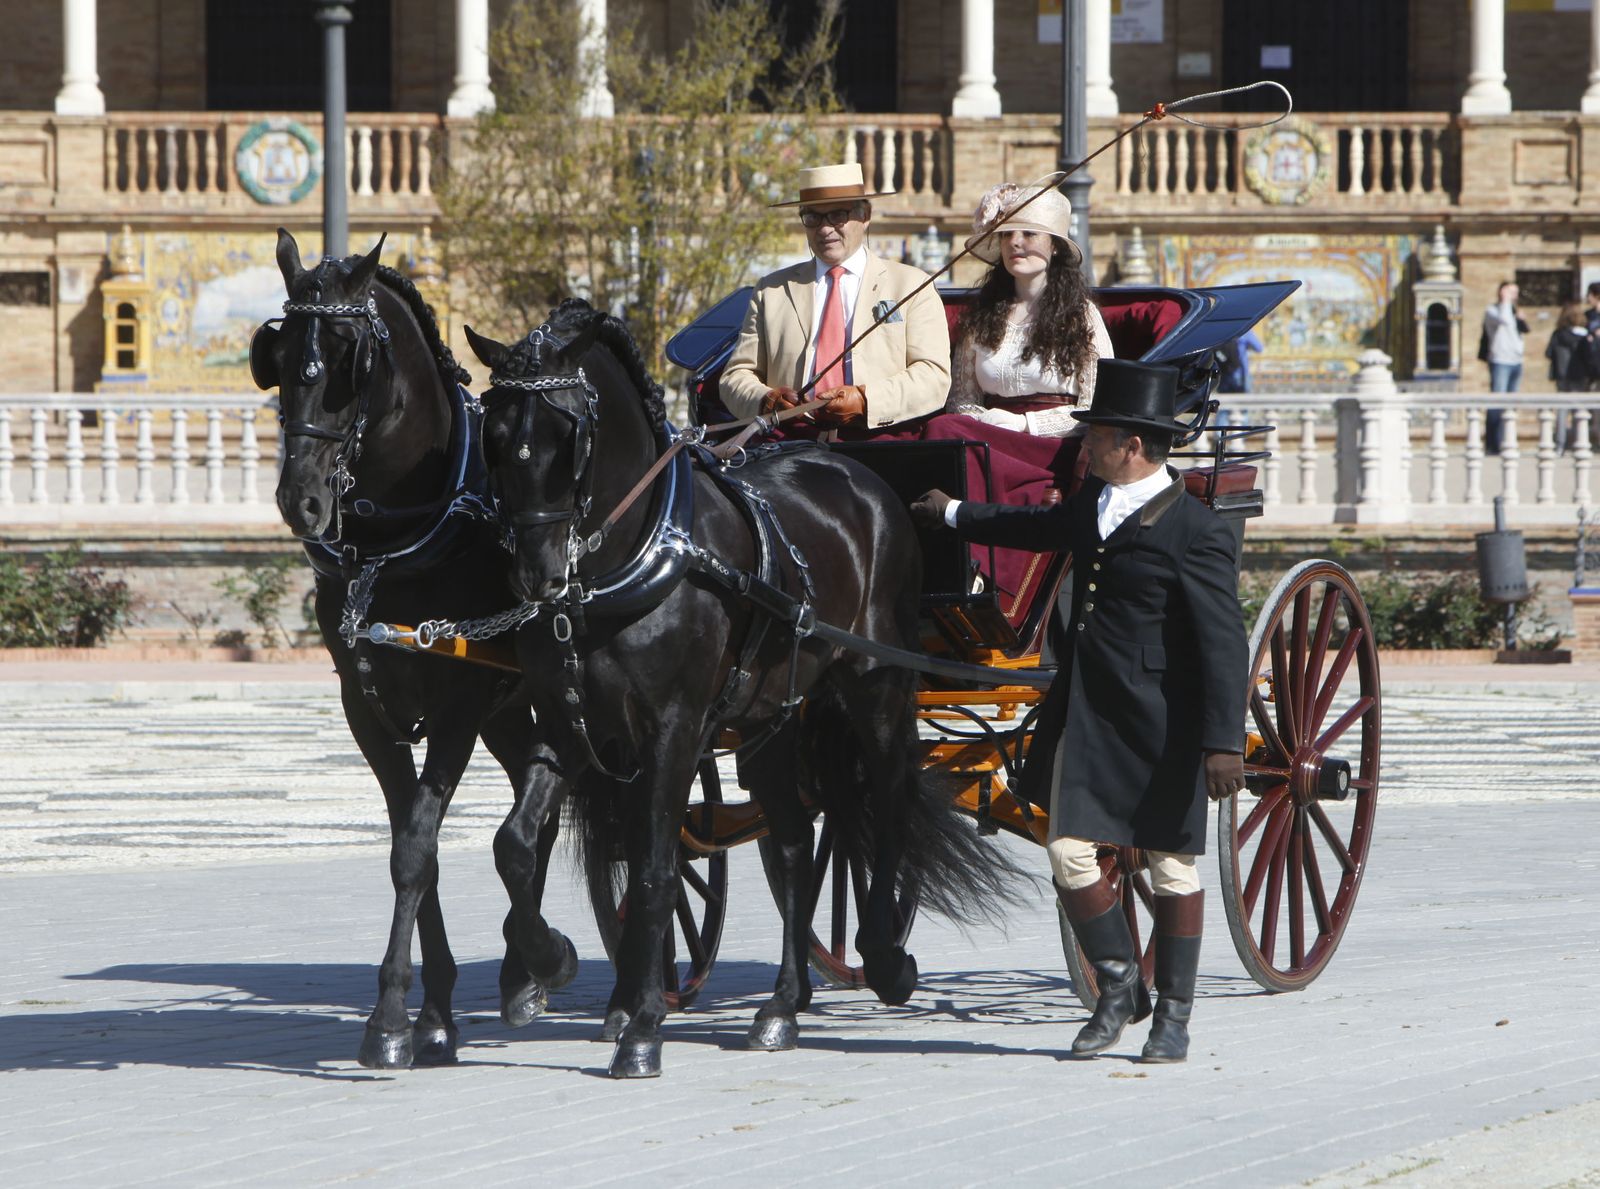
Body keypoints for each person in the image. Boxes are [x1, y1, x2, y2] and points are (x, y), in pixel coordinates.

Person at [909, 358, 1248, 1064]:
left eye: (1095, 437)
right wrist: (954, 513)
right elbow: (1034, 526)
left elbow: (1223, 644)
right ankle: (1119, 987)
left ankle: (1173, 1018)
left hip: (1165, 720)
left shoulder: (1197, 530)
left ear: (1132, 444)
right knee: (1067, 851)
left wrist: (1224, 743)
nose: (1083, 446)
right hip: (1089, 710)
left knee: (1170, 867)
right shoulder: (1095, 502)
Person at [719, 162, 951, 435]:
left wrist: (866, 401)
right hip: (788, 442)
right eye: (812, 217)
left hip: (881, 439)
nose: (825, 229)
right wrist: (765, 400)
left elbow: (933, 376)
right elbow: (735, 376)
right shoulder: (771, 290)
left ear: (865, 215)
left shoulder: (912, 285)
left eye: (838, 216)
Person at [944, 183, 1113, 436]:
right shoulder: (982, 314)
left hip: (1053, 446)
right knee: (941, 429)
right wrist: (986, 422)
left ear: (1054, 246)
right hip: (989, 440)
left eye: (1029, 234)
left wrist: (1026, 424)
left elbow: (1097, 405)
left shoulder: (1081, 314)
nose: (1015, 242)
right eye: (1006, 234)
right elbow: (961, 399)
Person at [1482, 280, 1527, 455]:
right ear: (1502, 292)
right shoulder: (1493, 310)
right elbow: (1505, 321)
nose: (1514, 295)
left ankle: (1506, 439)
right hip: (1500, 360)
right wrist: (1506, 302)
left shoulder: (1513, 311)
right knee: (1497, 402)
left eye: (1515, 292)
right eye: (1510, 291)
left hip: (1516, 361)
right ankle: (1493, 443)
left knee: (1511, 404)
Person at [1547, 302, 1593, 452]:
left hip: (1562, 375)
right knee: (1578, 410)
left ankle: (1560, 444)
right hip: (1579, 376)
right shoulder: (1583, 336)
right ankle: (1578, 442)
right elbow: (1588, 356)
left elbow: (1548, 353)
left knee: (1562, 410)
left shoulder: (1558, 334)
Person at [1217, 328, 1264, 395]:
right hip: (1240, 373)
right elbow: (1259, 348)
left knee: (1224, 399)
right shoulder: (1244, 330)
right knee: (1242, 399)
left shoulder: (1221, 330)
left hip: (1223, 373)